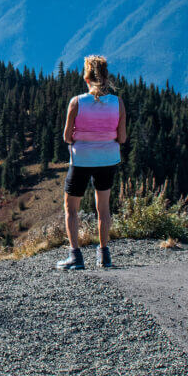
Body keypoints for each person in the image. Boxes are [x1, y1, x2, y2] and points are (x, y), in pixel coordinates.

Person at [56, 55, 126, 270]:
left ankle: (75, 256)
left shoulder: (76, 102)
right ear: (106, 78)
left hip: (82, 160)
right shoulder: (118, 103)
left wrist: (82, 135)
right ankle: (104, 256)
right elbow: (122, 138)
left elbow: (67, 137)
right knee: (103, 208)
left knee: (71, 208)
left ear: (86, 79)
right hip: (108, 159)